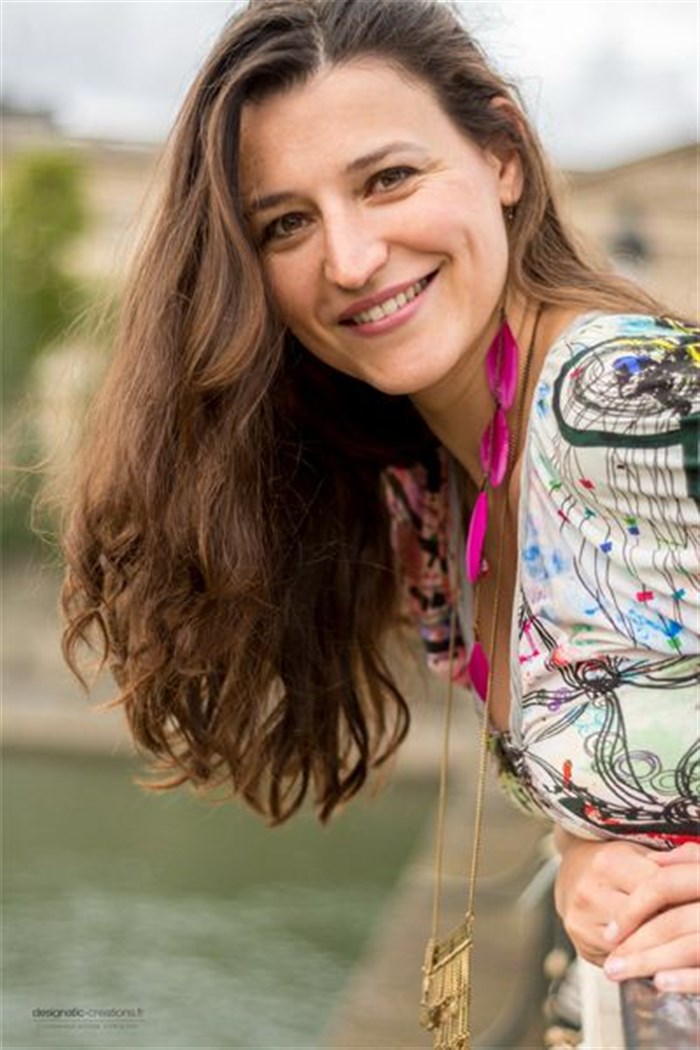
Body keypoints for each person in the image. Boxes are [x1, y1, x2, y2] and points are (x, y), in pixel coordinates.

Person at [60, 0, 699, 1042]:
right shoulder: (426, 487)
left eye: (388, 179)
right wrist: (585, 846)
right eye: (285, 224)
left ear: (501, 155)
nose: (351, 259)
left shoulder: (622, 397)